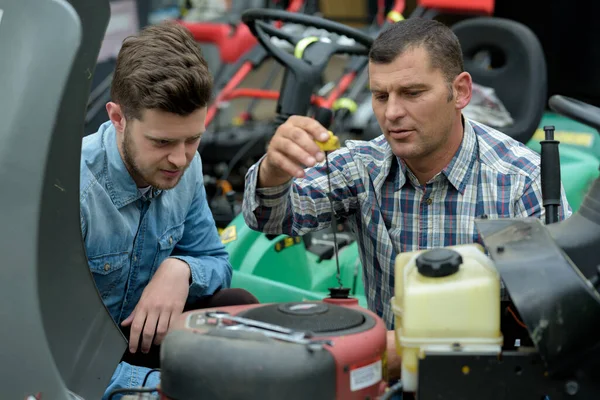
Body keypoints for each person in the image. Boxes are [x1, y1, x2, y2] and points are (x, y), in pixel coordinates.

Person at [242, 18, 572, 379]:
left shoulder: (522, 183)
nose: (392, 113)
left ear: (461, 92)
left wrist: (416, 345)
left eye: (412, 93)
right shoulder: (361, 166)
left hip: (486, 379)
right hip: (387, 377)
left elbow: (558, 322)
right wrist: (274, 168)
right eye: (380, 96)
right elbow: (270, 219)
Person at [80, 22, 258, 399]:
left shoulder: (184, 167)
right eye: (161, 142)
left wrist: (181, 270)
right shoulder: (72, 191)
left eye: (193, 138)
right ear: (118, 118)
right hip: (78, 364)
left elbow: (215, 260)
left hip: (141, 343)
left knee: (238, 307)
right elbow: (39, 336)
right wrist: (159, 388)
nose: (180, 159)